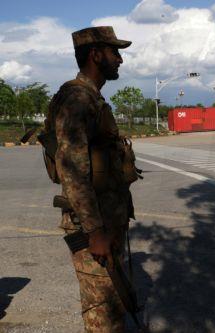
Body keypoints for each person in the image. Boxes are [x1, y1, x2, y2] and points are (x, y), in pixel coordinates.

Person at [45, 26, 136, 332]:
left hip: (106, 222)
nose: (120, 60)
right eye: (115, 52)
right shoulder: (77, 100)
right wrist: (95, 231)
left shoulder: (91, 98)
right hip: (93, 229)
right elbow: (72, 169)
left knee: (114, 307)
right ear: (96, 55)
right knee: (103, 314)